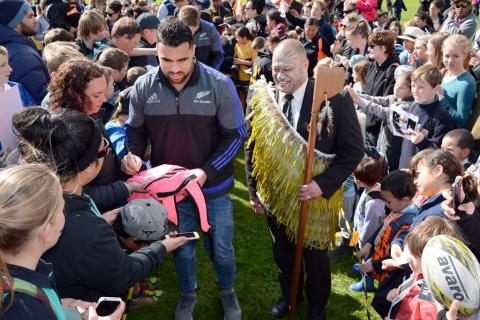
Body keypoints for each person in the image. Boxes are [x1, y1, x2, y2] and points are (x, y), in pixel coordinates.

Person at [126, 18, 245, 320]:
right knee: (181, 248)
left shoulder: (220, 84)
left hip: (214, 188)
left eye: (182, 59)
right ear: (156, 52)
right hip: (170, 193)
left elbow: (236, 135)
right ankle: (188, 293)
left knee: (221, 249)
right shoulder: (143, 86)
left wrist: (206, 171)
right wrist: (133, 156)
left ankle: (227, 289)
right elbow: (135, 132)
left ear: (194, 50)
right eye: (166, 60)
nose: (175, 68)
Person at [13, 107, 189, 303]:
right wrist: (162, 246)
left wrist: (101, 219)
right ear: (88, 166)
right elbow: (124, 276)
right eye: (104, 149)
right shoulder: (86, 229)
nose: (108, 151)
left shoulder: (43, 196)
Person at [245, 39, 364, 319]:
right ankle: (289, 296)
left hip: (315, 198)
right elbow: (253, 146)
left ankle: (317, 305)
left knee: (315, 257)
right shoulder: (266, 98)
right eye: (276, 69)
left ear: (306, 66)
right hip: (276, 196)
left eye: (288, 69)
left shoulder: (333, 97)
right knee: (282, 253)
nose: (281, 75)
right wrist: (253, 191)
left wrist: (321, 185)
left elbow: (353, 151)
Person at [0, 164, 126, 320]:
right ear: (46, 231)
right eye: (63, 209)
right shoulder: (25, 310)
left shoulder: (19, 280)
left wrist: (56, 305)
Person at [385, 216, 462, 320]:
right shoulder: (421, 273)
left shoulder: (431, 302)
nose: (408, 259)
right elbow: (413, 285)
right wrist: (398, 291)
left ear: (433, 261)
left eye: (414, 256)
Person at [355, 170, 416, 286]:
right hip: (380, 263)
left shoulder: (409, 222)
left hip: (390, 273)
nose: (386, 205)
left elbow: (397, 254)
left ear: (405, 199)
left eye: (388, 202)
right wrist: (368, 244)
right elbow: (383, 226)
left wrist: (373, 265)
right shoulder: (397, 209)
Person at [398, 65, 457, 169]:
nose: (415, 91)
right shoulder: (414, 105)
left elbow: (440, 152)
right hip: (405, 163)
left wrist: (422, 141)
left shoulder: (442, 117)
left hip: (421, 172)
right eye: (413, 86)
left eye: (421, 87)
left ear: (436, 88)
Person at [0, 0, 50, 104]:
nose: (36, 20)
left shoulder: (15, 46)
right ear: (15, 22)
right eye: (30, 16)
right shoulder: (22, 56)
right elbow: (41, 99)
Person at [349, 157, 386, 292]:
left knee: (367, 259)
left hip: (368, 240)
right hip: (359, 230)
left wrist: (363, 243)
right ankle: (363, 270)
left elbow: (370, 226)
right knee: (364, 258)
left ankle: (366, 282)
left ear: (359, 181)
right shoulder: (371, 188)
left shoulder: (374, 203)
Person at [363, 30, 399, 147]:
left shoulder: (394, 70)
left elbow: (387, 101)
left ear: (383, 48)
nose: (369, 49)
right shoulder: (373, 65)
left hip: (380, 130)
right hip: (367, 123)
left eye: (372, 46)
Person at [439, 34, 476, 128]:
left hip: (449, 133)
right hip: (436, 125)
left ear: (464, 55)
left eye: (456, 56)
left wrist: (442, 98)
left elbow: (461, 120)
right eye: (447, 56)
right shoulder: (445, 73)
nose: (450, 60)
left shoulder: (466, 83)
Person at [178, 5, 224, 70]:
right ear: (181, 23)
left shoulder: (210, 28)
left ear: (199, 20)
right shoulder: (174, 30)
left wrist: (210, 72)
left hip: (207, 71)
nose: (192, 34)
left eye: (195, 30)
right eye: (188, 31)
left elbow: (218, 55)